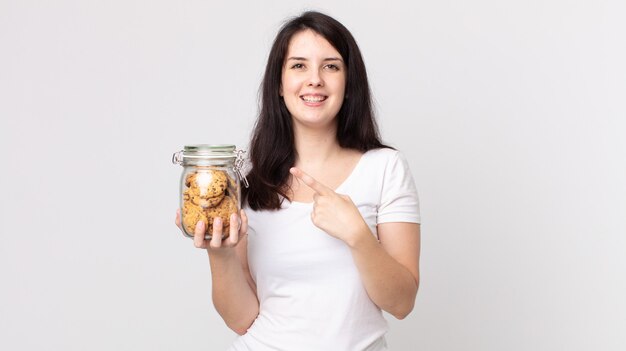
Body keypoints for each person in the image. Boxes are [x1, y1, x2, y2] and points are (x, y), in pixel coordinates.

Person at [176, 11, 421, 351]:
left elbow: (402, 302)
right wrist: (221, 256)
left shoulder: (385, 168)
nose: (315, 79)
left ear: (349, 83)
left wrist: (359, 236)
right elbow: (242, 320)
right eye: (299, 65)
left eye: (331, 66)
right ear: (278, 84)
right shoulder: (250, 184)